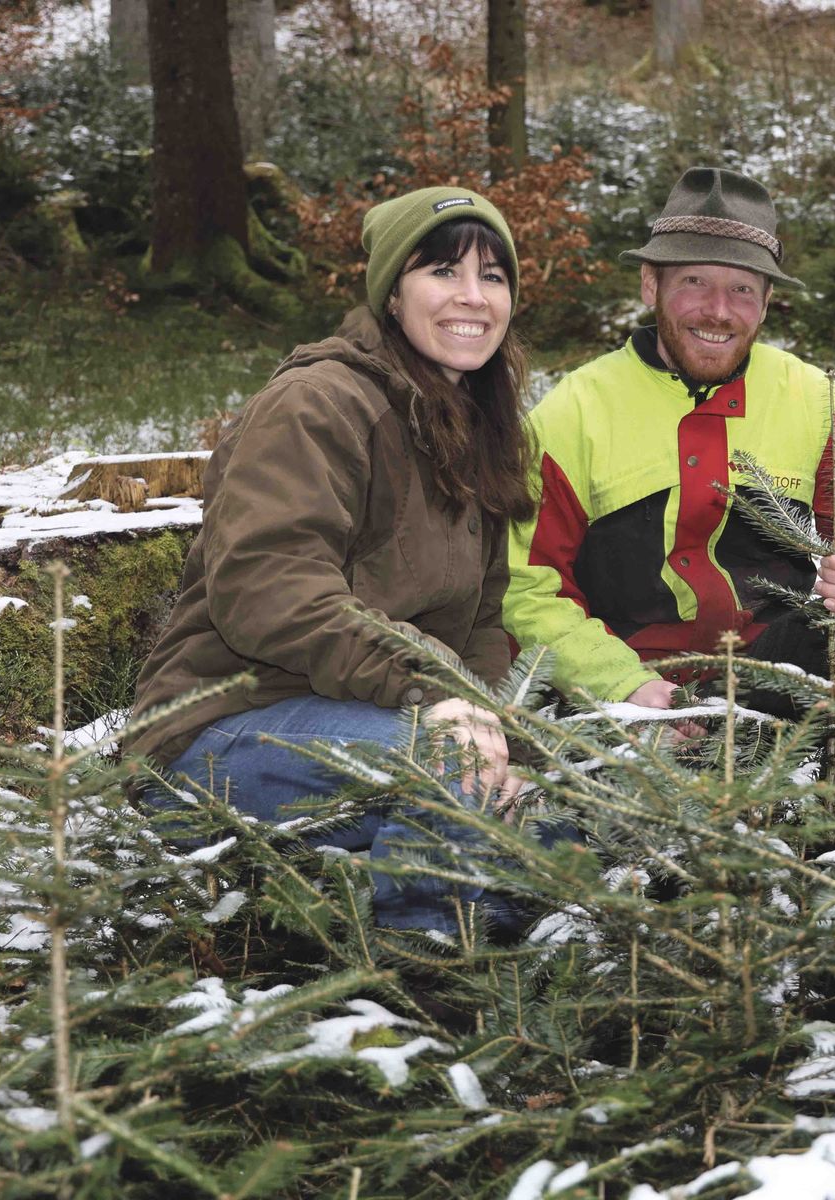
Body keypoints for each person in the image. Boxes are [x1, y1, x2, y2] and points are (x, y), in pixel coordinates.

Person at [127, 186, 547, 936]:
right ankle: (419, 998)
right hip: (221, 729)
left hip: (375, 719)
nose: (472, 297)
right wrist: (435, 698)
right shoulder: (317, 405)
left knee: (554, 817)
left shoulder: (479, 428)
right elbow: (267, 591)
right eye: (443, 272)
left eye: (493, 276)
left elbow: (480, 625)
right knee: (447, 769)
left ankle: (506, 999)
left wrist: (498, 736)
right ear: (391, 294)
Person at [504, 166, 835, 803]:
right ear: (650, 284)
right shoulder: (572, 414)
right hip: (641, 691)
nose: (718, 311)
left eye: (742, 289)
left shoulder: (815, 400)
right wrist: (619, 683)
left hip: (779, 665)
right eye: (693, 283)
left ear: (767, 300)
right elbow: (526, 587)